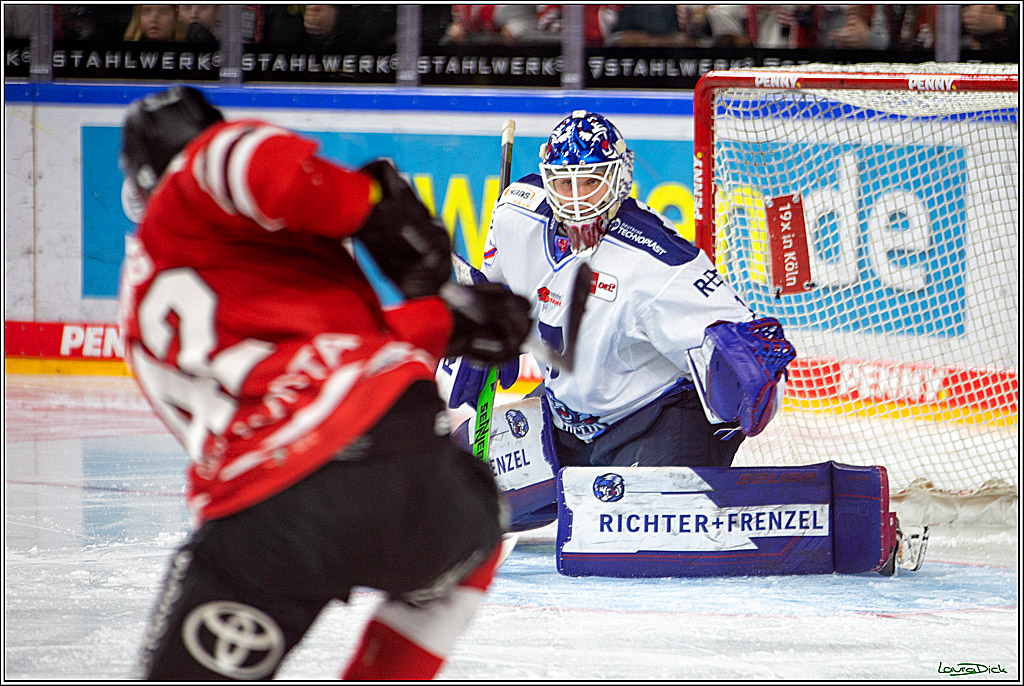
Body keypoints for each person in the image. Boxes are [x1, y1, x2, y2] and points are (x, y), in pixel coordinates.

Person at [118, 85, 532, 680]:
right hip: (400, 465)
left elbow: (309, 364)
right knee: (476, 539)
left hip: (265, 519)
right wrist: (372, 204)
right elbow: (263, 167)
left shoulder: (139, 302)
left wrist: (451, 321)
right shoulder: (201, 173)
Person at [447, 111, 794, 480]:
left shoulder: (656, 259)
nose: (577, 200)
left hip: (654, 419)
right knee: (463, 479)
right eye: (565, 184)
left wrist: (751, 376)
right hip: (567, 418)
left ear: (619, 178)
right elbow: (496, 286)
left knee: (633, 533)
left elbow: (743, 339)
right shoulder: (514, 215)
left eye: (591, 182)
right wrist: (486, 326)